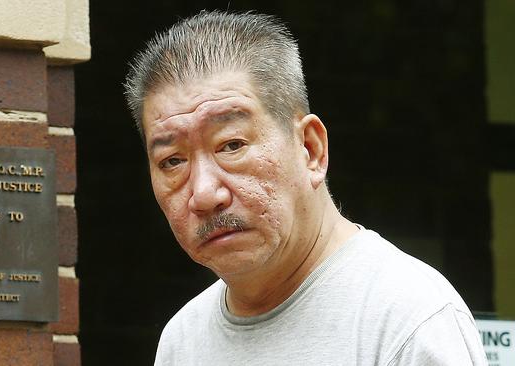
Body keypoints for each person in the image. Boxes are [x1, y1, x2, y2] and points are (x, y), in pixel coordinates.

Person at [124, 10, 487, 366]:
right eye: (173, 161)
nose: (203, 193)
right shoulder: (182, 341)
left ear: (311, 149)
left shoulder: (406, 319)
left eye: (231, 145)